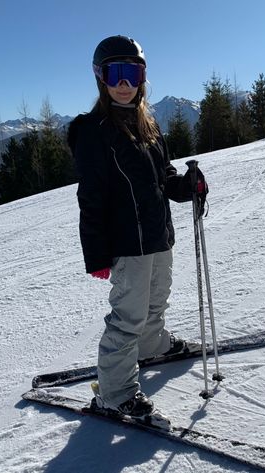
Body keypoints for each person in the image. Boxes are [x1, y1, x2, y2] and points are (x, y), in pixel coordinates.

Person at [67, 35, 208, 418]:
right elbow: (91, 197)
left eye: (133, 72)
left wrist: (188, 186)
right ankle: (114, 392)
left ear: (143, 77)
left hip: (159, 236)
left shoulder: (148, 124)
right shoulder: (93, 131)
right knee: (127, 318)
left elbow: (162, 177)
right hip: (127, 244)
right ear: (102, 78)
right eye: (117, 73)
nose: (125, 84)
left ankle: (154, 346)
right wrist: (95, 254)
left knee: (156, 300)